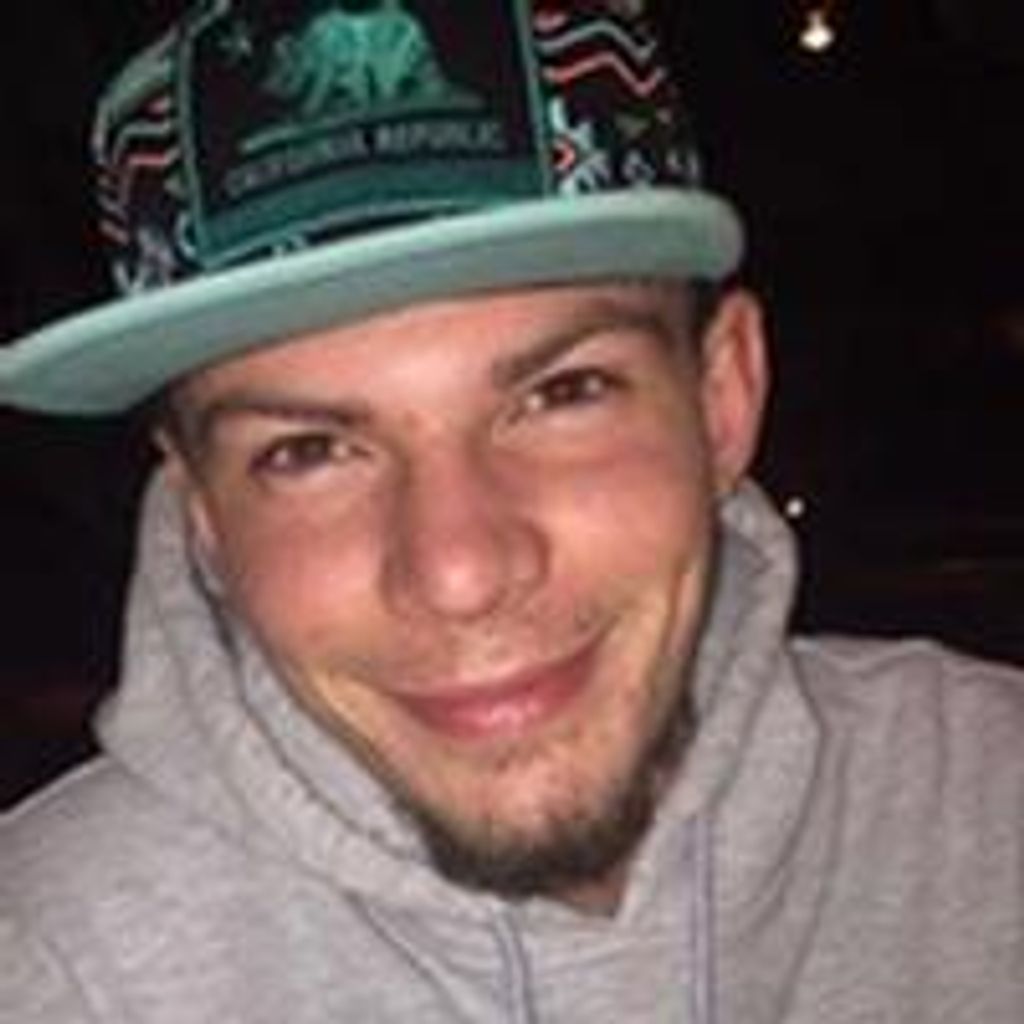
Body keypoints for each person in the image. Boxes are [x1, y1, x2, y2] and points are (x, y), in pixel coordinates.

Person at [0, 1, 1021, 1021]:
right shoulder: (45, 969)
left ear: (722, 398)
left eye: (562, 393)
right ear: (204, 520)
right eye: (307, 451)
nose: (459, 571)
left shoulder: (991, 799)